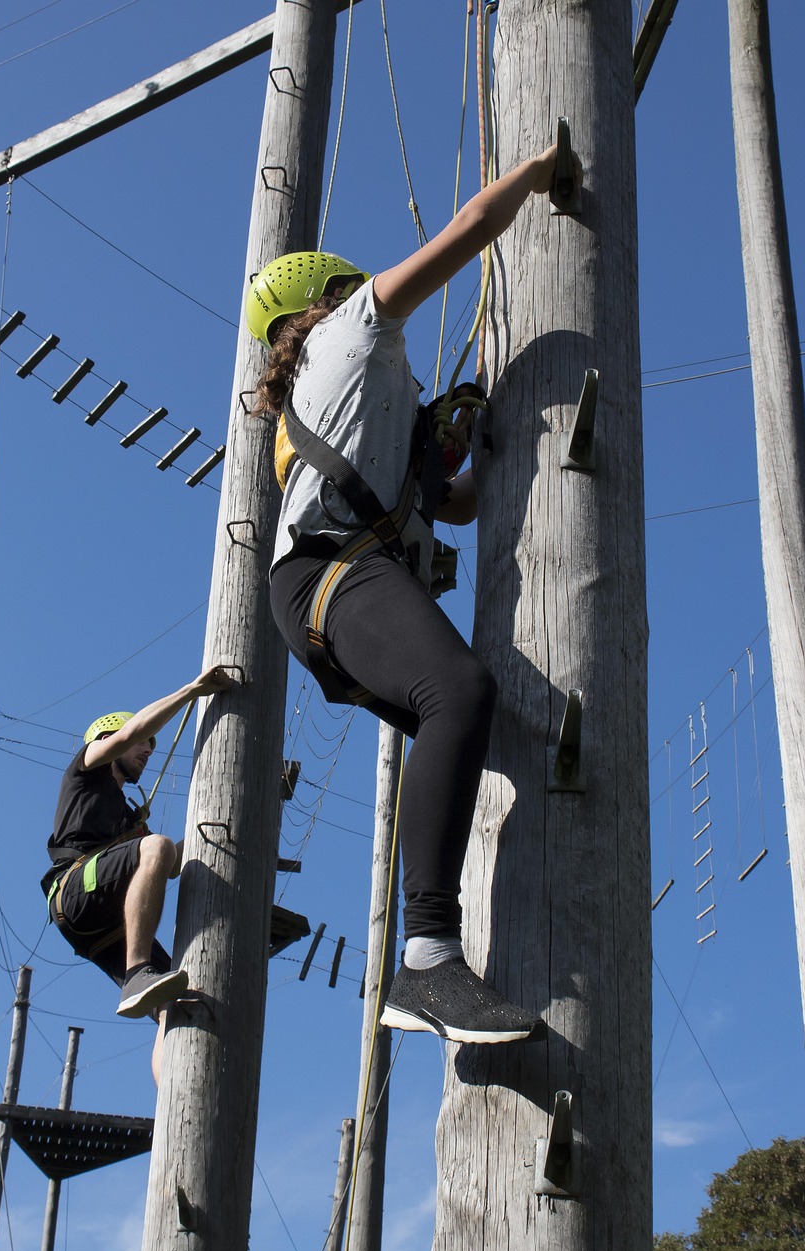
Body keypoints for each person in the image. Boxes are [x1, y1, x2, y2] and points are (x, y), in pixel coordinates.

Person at [246, 145, 581, 1045]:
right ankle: (428, 957)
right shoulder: (349, 329)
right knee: (460, 693)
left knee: (481, 728)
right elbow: (472, 227)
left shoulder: (368, 399)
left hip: (335, 585)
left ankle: (446, 951)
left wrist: (467, 441)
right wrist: (541, 168)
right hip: (330, 575)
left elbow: (462, 508)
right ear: (332, 293)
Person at [42, 667, 231, 1078]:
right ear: (107, 739)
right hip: (74, 888)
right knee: (155, 846)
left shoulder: (130, 821)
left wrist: (229, 828)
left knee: (177, 1005)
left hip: (102, 925)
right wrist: (194, 690)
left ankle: (170, 1113)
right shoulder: (86, 771)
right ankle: (138, 971)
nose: (147, 749)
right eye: (143, 742)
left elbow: (172, 865)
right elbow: (127, 738)